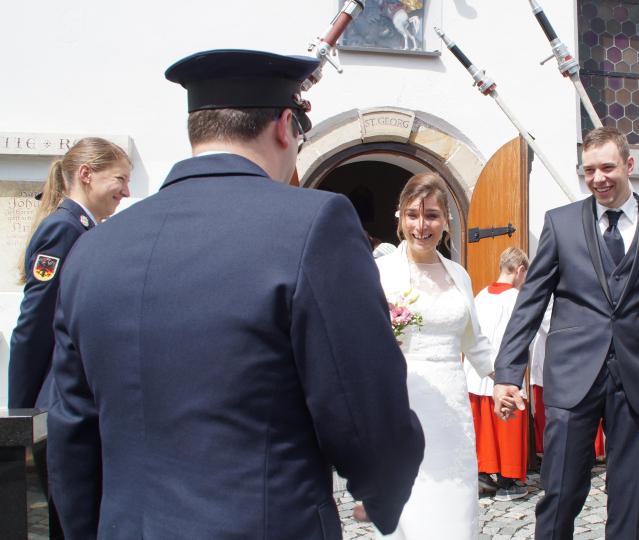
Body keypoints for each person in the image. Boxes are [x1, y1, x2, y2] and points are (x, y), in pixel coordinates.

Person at [45, 49, 424, 539]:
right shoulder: (314, 223)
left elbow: (72, 429)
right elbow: (363, 406)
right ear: (286, 126)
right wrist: (383, 494)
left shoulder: (93, 248)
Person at [494, 127, 639, 539]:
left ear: (629, 165)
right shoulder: (561, 223)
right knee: (561, 490)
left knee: (630, 495)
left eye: (607, 167)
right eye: (589, 170)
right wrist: (506, 373)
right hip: (572, 377)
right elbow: (530, 302)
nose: (598, 178)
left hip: (637, 377)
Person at [7, 136, 131, 539]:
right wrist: (23, 412)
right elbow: (34, 325)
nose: (127, 191)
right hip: (58, 401)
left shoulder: (86, 230)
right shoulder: (63, 230)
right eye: (120, 179)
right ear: (86, 175)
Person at [373, 172, 494, 539]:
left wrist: (502, 379)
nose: (421, 225)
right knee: (409, 507)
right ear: (400, 217)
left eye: (431, 216)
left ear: (446, 221)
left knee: (452, 507)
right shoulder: (380, 272)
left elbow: (474, 341)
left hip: (451, 410)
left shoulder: (459, 274)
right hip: (401, 402)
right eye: (412, 214)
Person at [464, 246, 530, 501]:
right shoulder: (516, 298)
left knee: (482, 429)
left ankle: (483, 473)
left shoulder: (481, 295)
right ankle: (507, 481)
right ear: (520, 271)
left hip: (476, 372)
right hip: (503, 373)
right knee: (507, 427)